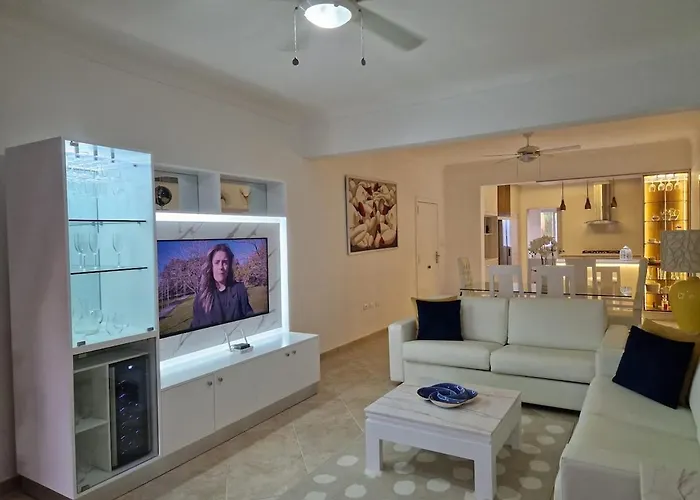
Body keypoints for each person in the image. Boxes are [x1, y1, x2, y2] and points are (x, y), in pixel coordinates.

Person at [191, 243, 254, 329]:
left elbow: (250, 319)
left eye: (225, 262)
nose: (221, 267)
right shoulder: (201, 298)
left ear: (229, 266)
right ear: (211, 266)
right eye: (217, 262)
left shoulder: (239, 290)